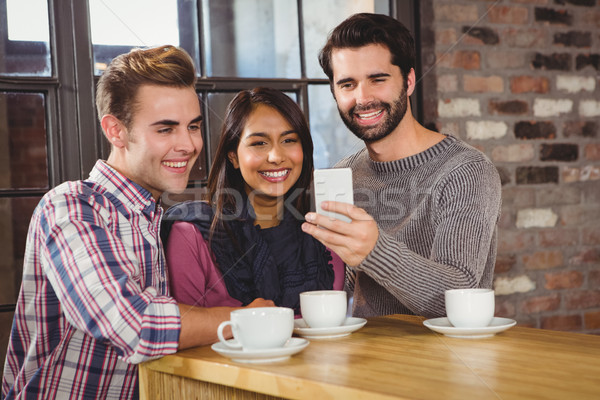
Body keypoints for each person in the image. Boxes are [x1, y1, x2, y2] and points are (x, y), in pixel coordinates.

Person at [2, 46, 272, 400]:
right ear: (116, 130)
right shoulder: (71, 207)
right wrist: (244, 319)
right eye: (165, 129)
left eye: (193, 126)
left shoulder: (152, 215)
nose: (188, 144)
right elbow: (134, 324)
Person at [301, 13, 502, 319]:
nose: (362, 98)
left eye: (377, 79)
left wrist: (373, 251)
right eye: (347, 84)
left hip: (443, 362)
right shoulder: (345, 175)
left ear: (408, 81)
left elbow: (458, 301)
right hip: (360, 358)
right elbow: (338, 296)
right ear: (334, 93)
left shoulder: (466, 171)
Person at [162, 87, 343, 315]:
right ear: (234, 157)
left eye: (289, 140)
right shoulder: (191, 236)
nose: (276, 157)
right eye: (259, 143)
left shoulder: (324, 244)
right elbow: (184, 332)